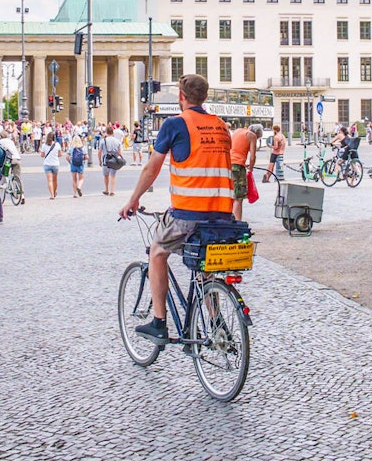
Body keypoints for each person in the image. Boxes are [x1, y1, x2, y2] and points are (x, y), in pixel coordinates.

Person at [119, 74, 234, 343]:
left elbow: (152, 168)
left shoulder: (175, 124)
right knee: (205, 267)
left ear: (181, 97)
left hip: (189, 214)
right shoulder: (221, 127)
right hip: (223, 216)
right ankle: (216, 322)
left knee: (158, 252)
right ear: (204, 97)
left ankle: (159, 323)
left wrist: (133, 199)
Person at [230, 123, 261, 220]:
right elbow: (252, 156)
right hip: (238, 166)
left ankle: (229, 220)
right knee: (238, 197)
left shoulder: (237, 131)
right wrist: (250, 168)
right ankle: (237, 222)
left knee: (231, 194)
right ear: (257, 132)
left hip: (228, 163)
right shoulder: (252, 135)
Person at [100, 125, 124, 195]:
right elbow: (120, 152)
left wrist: (100, 161)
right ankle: (112, 191)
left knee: (106, 175)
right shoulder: (117, 141)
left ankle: (107, 189)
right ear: (112, 133)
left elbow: (99, 152)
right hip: (114, 160)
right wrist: (120, 159)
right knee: (113, 176)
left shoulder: (103, 141)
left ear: (106, 132)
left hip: (106, 160)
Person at [40, 131, 62, 199]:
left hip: (47, 164)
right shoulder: (57, 144)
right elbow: (60, 154)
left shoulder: (44, 145)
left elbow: (42, 155)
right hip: (55, 164)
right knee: (55, 180)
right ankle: (55, 191)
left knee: (49, 180)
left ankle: (52, 195)